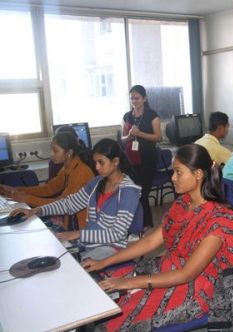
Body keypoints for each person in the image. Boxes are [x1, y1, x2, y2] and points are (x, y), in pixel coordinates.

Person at [82, 144, 233, 331]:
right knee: (101, 286)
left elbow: (187, 274)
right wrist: (104, 262)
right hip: (171, 269)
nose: (172, 178)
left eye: (178, 172)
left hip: (196, 288)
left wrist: (130, 282)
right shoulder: (183, 203)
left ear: (198, 174)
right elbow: (151, 241)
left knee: (115, 320)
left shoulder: (220, 221)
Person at [11, 138, 141, 260]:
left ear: (116, 162)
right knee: (51, 253)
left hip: (113, 247)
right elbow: (70, 203)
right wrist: (37, 210)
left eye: (101, 162)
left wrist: (79, 234)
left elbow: (116, 234)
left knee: (72, 266)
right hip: (90, 243)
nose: (96, 167)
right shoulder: (97, 182)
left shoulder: (128, 191)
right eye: (95, 162)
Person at [0, 132, 95, 230]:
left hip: (81, 228)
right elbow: (49, 188)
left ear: (68, 153)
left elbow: (64, 205)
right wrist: (16, 189)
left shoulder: (81, 172)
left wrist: (27, 199)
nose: (51, 154)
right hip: (69, 222)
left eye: (55, 151)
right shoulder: (69, 166)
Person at [121, 85, 161, 229]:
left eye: (137, 98)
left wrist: (140, 134)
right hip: (131, 161)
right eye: (132, 98)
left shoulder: (152, 115)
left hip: (147, 160)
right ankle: (142, 223)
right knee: (133, 193)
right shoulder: (127, 116)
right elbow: (122, 139)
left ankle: (145, 224)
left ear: (144, 98)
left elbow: (158, 137)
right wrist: (129, 135)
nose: (134, 101)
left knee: (142, 193)